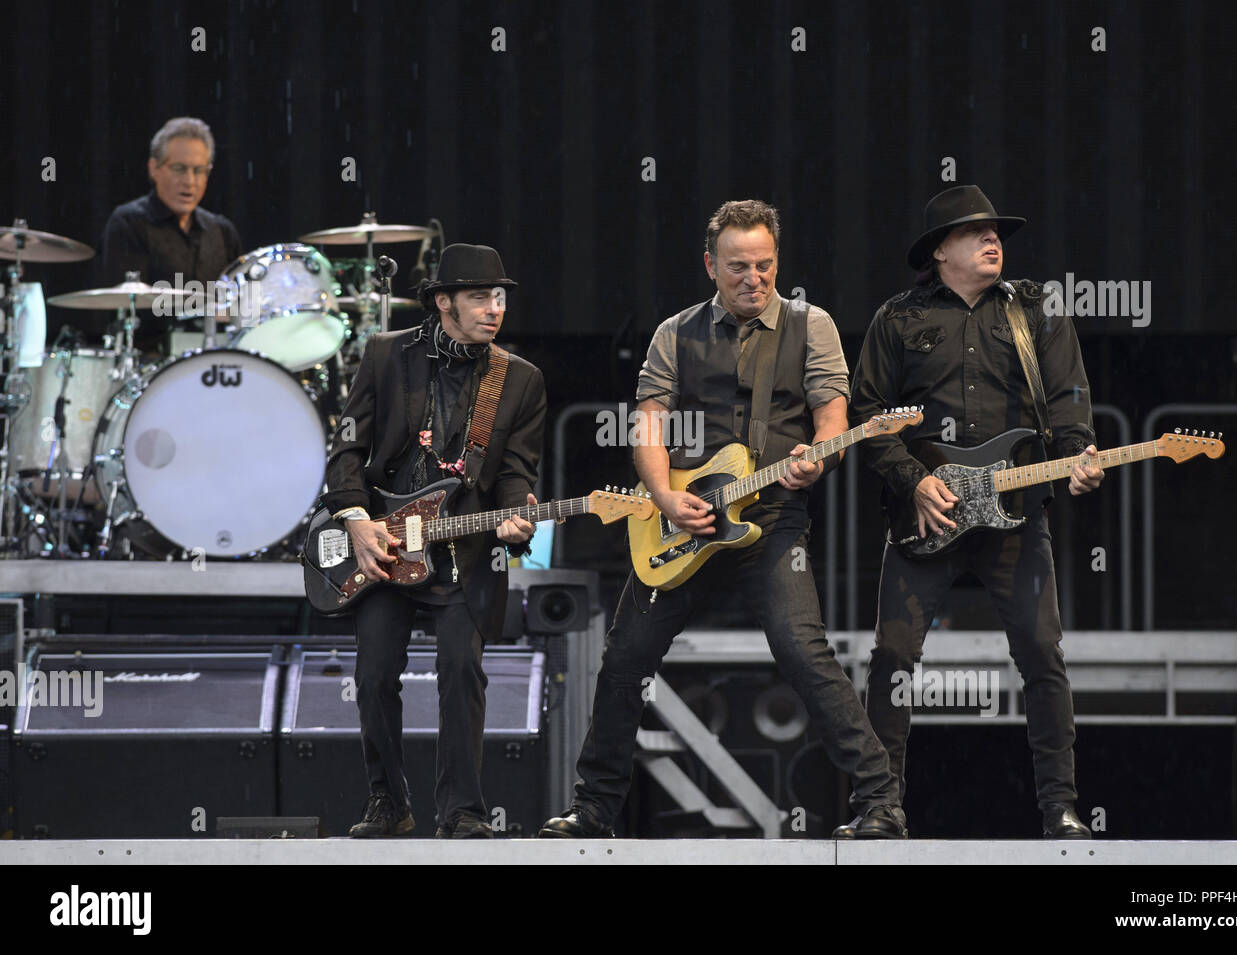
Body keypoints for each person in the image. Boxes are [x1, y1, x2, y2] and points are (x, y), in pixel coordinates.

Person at [541, 199, 905, 839]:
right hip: (685, 521)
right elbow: (648, 427)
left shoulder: (808, 324)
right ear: (710, 265)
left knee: (803, 650)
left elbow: (832, 415)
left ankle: (882, 804)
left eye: (765, 266)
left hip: (774, 515)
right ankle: (593, 809)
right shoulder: (674, 332)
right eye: (738, 267)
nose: (753, 279)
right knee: (625, 656)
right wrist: (662, 497)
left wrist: (814, 460)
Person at [848, 184, 1103, 839]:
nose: (994, 241)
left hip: (1016, 513)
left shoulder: (1035, 308)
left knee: (1043, 653)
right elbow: (865, 416)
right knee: (894, 657)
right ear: (940, 251)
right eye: (974, 232)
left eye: (997, 232)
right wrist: (914, 482)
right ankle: (881, 806)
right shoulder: (897, 318)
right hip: (925, 516)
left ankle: (1061, 808)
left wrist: (1078, 453)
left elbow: (1069, 394)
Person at [322, 243, 547, 839]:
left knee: (460, 671)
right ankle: (388, 803)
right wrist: (355, 519)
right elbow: (345, 449)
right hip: (385, 544)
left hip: (463, 550)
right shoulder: (384, 355)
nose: (494, 308)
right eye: (479, 296)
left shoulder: (520, 380)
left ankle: (463, 812)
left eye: (499, 297)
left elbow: (516, 472)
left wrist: (516, 518)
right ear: (443, 301)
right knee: (372, 676)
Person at [98, 116, 242, 351]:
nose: (190, 181)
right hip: (152, 363)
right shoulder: (129, 223)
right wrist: (201, 313)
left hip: (216, 363)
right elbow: (129, 308)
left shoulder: (222, 231)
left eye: (199, 171)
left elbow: (243, 304)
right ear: (154, 168)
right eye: (179, 169)